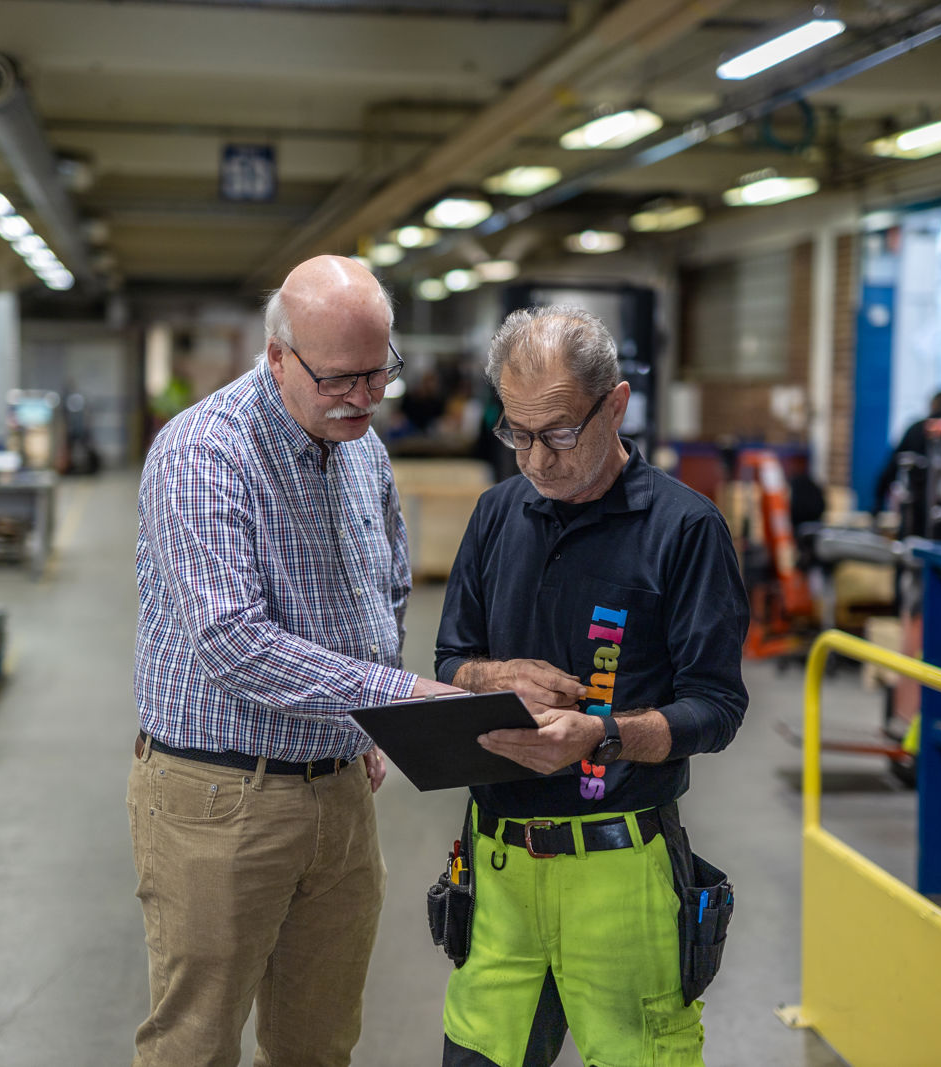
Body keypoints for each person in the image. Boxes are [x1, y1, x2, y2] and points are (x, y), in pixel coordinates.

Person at [130, 255, 460, 1067]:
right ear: (278, 355)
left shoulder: (363, 449)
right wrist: (391, 690)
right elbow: (231, 640)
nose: (365, 397)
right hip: (219, 796)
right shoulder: (204, 453)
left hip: (340, 794)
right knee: (196, 1043)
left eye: (379, 373)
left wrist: (375, 721)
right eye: (341, 378)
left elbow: (384, 580)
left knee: (319, 1042)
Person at [434, 305, 751, 1066]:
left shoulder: (683, 530)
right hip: (500, 865)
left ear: (616, 404)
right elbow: (450, 657)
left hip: (621, 872)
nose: (537, 459)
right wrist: (487, 674)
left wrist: (606, 735)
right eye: (517, 432)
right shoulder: (495, 515)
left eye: (559, 431)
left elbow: (717, 706)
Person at [872, 390, 941, 536]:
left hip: (921, 511)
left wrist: (877, 506)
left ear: (932, 405)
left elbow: (890, 469)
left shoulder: (917, 430)